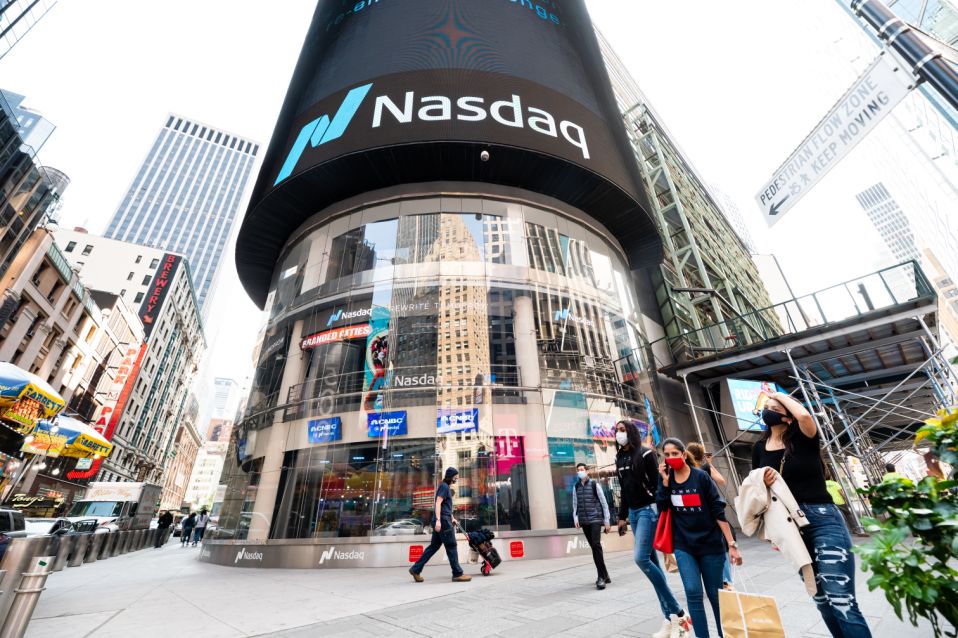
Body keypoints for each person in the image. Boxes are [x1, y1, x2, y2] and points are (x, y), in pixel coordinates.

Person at [753, 391, 873, 638]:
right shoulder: (758, 447)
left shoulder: (803, 436)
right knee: (821, 599)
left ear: (787, 416)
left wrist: (776, 394)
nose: (768, 408)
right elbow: (757, 490)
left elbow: (805, 415)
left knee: (840, 599)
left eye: (775, 407)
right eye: (767, 406)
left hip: (822, 519)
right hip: (789, 526)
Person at [659, 438, 742, 638]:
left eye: (675, 454)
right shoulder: (666, 479)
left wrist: (731, 544)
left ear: (684, 454)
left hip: (710, 545)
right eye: (667, 455)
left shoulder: (701, 477)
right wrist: (664, 483)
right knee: (693, 593)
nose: (671, 458)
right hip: (683, 545)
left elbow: (717, 510)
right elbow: (662, 507)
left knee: (715, 596)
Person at [614, 419, 690, 638]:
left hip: (649, 510)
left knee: (641, 558)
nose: (619, 434)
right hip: (634, 514)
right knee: (652, 563)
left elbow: (659, 483)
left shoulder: (646, 454)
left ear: (630, 431)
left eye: (622, 430)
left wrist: (661, 507)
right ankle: (670, 621)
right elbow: (624, 489)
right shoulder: (619, 457)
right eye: (617, 431)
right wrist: (621, 517)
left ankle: (678, 611)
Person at [409, 467, 472, 582]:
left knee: (433, 547)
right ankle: (457, 573)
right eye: (455, 477)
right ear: (451, 477)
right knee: (451, 546)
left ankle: (416, 569)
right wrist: (438, 520)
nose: (456, 479)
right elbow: (438, 503)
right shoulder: (444, 486)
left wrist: (452, 518)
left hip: (445, 519)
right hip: (443, 522)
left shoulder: (446, 487)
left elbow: (445, 507)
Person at [686, 442, 734, 589]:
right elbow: (721, 480)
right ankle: (726, 580)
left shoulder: (687, 471)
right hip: (711, 512)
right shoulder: (704, 469)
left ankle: (716, 580)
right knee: (721, 545)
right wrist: (709, 464)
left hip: (694, 516)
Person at [571, 463, 611, 589]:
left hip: (595, 519)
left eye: (582, 470)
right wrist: (576, 518)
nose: (580, 472)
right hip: (584, 520)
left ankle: (600, 577)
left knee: (596, 545)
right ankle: (605, 574)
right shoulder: (576, 486)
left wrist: (607, 520)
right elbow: (575, 504)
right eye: (578, 470)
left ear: (587, 471)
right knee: (594, 548)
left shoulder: (595, 485)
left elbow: (604, 503)